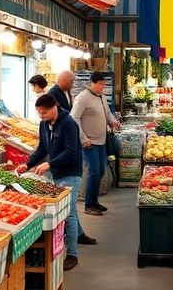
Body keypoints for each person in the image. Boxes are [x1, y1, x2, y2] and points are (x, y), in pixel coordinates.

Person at [16, 94, 95, 271]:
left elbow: (71, 152)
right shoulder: (44, 124)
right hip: (55, 173)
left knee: (69, 212)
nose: (41, 116)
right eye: (39, 113)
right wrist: (27, 164)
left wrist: (49, 164)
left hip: (71, 173)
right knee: (64, 209)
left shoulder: (68, 124)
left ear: (54, 108)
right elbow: (42, 148)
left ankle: (72, 254)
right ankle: (77, 236)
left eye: (43, 112)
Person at [71, 72, 119, 216]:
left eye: (104, 84)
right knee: (94, 172)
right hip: (89, 143)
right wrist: (83, 138)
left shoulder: (101, 97)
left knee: (101, 171)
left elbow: (107, 113)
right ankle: (89, 205)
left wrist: (113, 121)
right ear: (92, 82)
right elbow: (74, 118)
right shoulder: (83, 97)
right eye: (101, 84)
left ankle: (94, 201)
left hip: (102, 142)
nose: (103, 87)